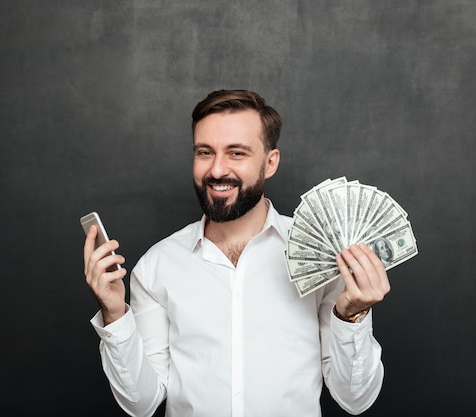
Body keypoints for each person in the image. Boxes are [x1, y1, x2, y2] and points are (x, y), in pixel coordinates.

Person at [84, 89, 391, 417]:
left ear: (269, 163)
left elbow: (355, 399)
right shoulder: (157, 266)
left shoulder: (325, 259)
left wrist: (352, 315)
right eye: (205, 152)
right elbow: (140, 403)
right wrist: (115, 315)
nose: (217, 170)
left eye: (236, 153)